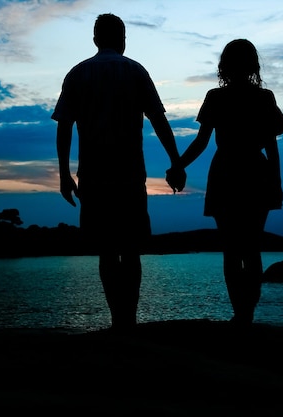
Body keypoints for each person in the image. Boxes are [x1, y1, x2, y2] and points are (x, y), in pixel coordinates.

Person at [52, 13, 184, 331]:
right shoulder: (135, 71)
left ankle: (116, 320)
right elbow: (158, 120)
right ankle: (130, 319)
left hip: (93, 176)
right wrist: (175, 161)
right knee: (131, 249)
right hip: (130, 175)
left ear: (96, 39)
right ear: (123, 39)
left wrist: (63, 174)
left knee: (108, 251)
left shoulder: (77, 74)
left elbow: (64, 127)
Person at [170, 39, 283, 326]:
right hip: (255, 172)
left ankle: (241, 312)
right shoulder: (263, 98)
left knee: (233, 249)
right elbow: (272, 148)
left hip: (226, 172)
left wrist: (177, 165)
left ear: (224, 65)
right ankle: (246, 313)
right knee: (250, 246)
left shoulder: (217, 97)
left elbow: (201, 142)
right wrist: (276, 181)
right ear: (253, 65)